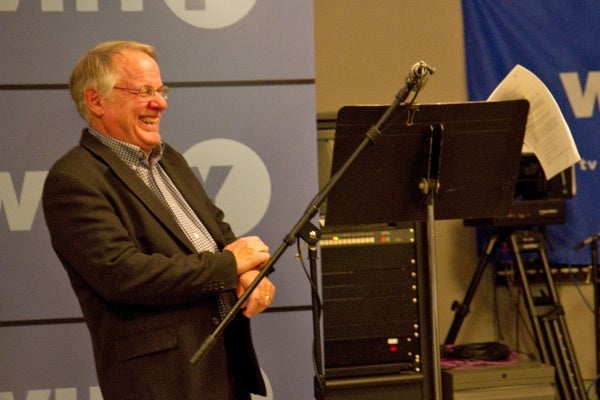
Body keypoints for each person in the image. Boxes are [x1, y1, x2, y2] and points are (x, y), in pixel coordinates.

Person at [42, 40, 276, 400]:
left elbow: (219, 236)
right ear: (95, 101)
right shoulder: (74, 179)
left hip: (223, 368)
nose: (160, 103)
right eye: (143, 91)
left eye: (161, 90)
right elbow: (124, 275)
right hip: (162, 382)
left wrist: (249, 274)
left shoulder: (172, 161)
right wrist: (230, 266)